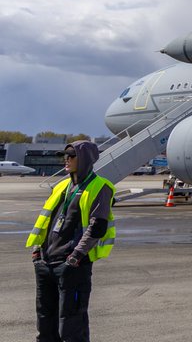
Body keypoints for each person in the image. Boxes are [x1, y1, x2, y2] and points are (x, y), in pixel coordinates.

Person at [26, 141, 115, 342]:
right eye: (64, 155)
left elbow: (97, 228)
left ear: (84, 159)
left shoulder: (100, 187)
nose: (66, 159)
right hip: (46, 262)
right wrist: (37, 252)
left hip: (72, 266)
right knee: (45, 323)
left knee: (72, 325)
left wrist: (75, 257)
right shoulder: (61, 186)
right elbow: (47, 220)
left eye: (71, 155)